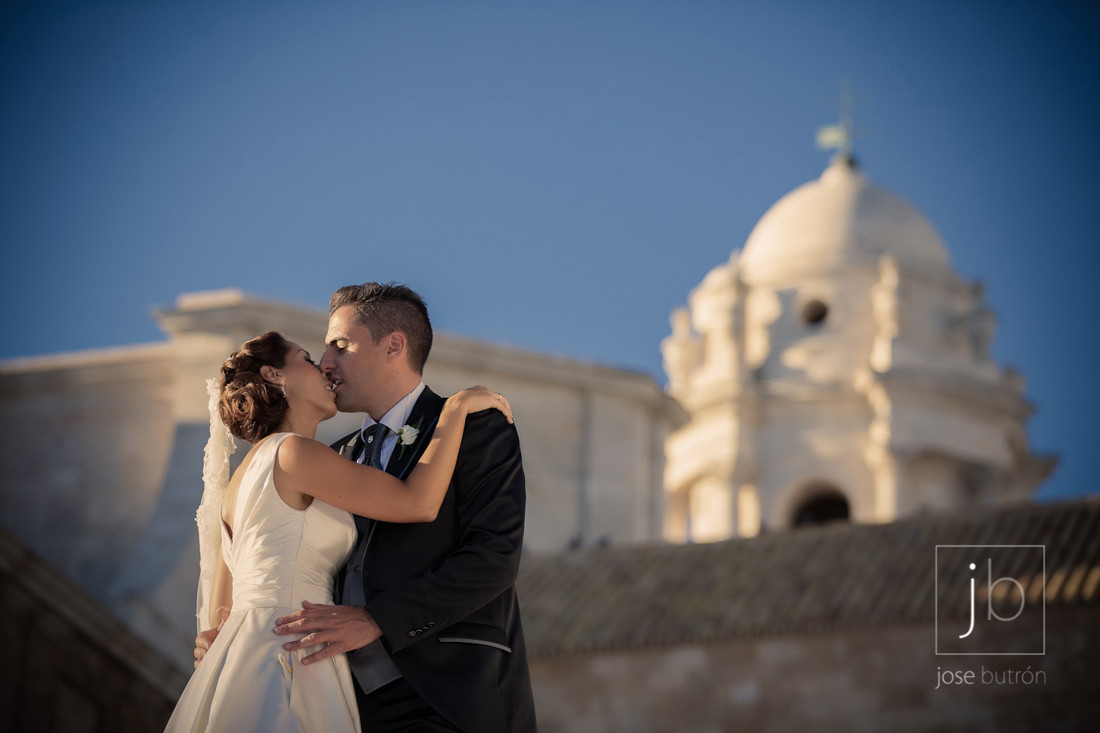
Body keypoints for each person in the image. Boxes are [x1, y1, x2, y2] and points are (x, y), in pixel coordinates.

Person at [166, 330, 512, 732]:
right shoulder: (294, 453)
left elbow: (220, 617)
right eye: (307, 359)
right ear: (274, 375)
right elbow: (417, 502)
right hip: (294, 651)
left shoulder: (240, 482)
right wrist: (455, 409)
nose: (324, 368)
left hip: (248, 654)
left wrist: (214, 641)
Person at [272, 282, 537, 732]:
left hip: (450, 694)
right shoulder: (329, 458)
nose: (327, 363)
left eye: (340, 345)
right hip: (344, 704)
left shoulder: (475, 426)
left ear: (394, 345)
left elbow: (494, 559)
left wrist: (378, 620)